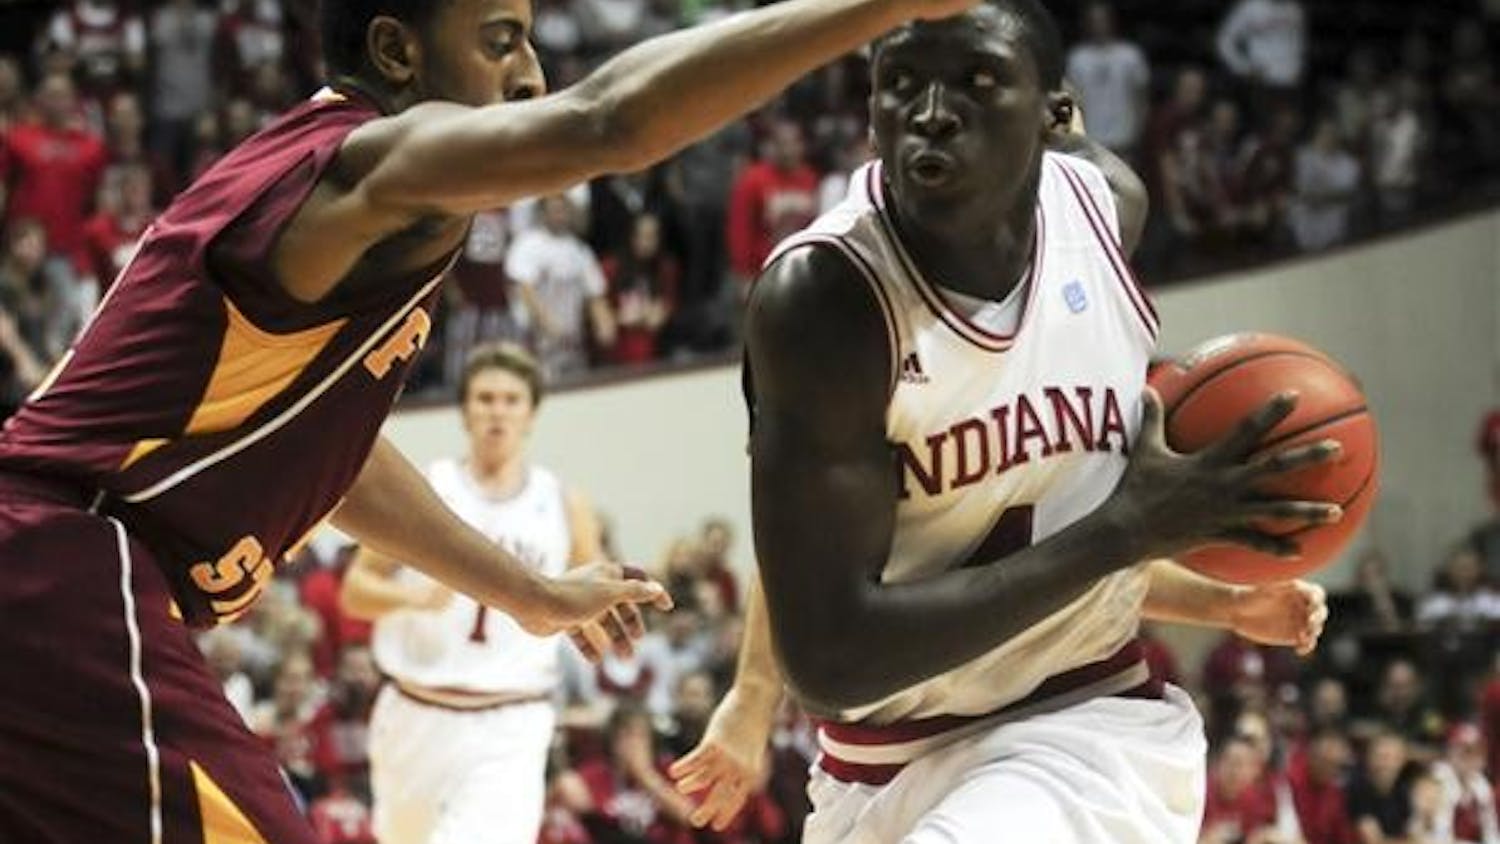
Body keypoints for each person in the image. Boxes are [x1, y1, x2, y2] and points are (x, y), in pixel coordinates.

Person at [0, 0, 977, 837]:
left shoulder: (328, 197)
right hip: (63, 565)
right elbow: (605, 123)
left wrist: (530, 594)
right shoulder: (357, 168)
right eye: (501, 39)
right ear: (397, 55)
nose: (530, 75)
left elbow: (339, 458)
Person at [669, 2, 1339, 840]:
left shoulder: (1108, 215)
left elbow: (1059, 520)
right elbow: (831, 645)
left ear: (1056, 116)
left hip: (1088, 730)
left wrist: (1214, 598)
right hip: (873, 766)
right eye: (900, 84)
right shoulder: (826, 301)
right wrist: (754, 692)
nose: (933, 111)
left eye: (977, 81)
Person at [342, 343, 606, 843]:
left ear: (531, 414)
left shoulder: (563, 504)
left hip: (511, 718)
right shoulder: (429, 488)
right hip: (413, 711)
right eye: (485, 398)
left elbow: (587, 608)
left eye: (511, 399)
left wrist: (592, 617)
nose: (497, 411)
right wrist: (413, 600)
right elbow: (355, 592)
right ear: (464, 410)